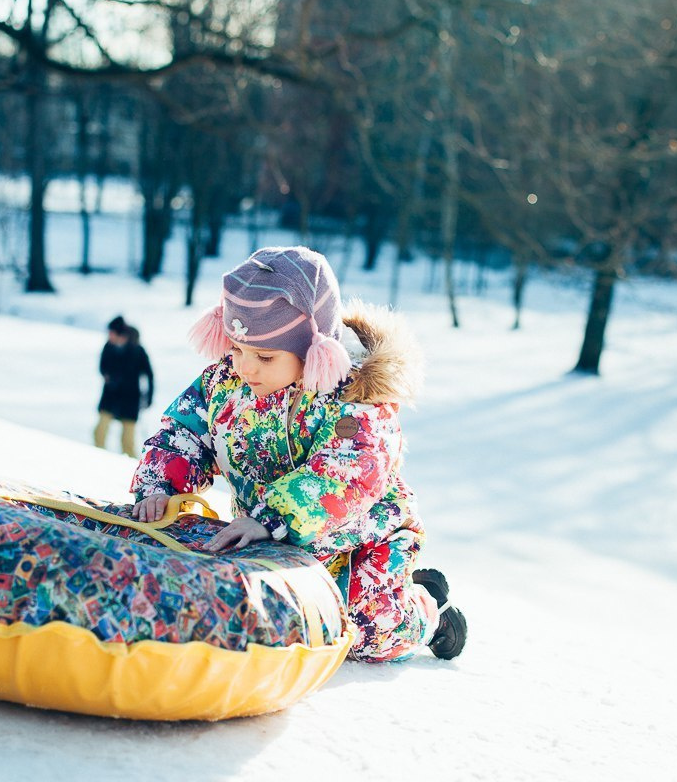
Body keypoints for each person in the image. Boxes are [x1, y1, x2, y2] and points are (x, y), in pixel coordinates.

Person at [129, 246, 467, 662]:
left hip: (364, 534)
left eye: (264, 356)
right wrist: (160, 485)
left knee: (360, 625)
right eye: (236, 348)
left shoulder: (355, 400)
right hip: (274, 536)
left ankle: (428, 612)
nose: (245, 367)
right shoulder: (229, 381)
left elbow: (347, 474)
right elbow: (185, 433)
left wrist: (274, 518)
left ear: (312, 348)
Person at [93, 316, 154, 458]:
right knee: (99, 432)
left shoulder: (137, 350)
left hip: (130, 398)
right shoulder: (108, 347)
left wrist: (149, 396)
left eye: (111, 333)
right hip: (110, 395)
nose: (109, 336)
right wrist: (108, 376)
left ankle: (131, 467)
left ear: (119, 333)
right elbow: (102, 367)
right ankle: (97, 457)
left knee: (127, 440)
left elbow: (149, 375)